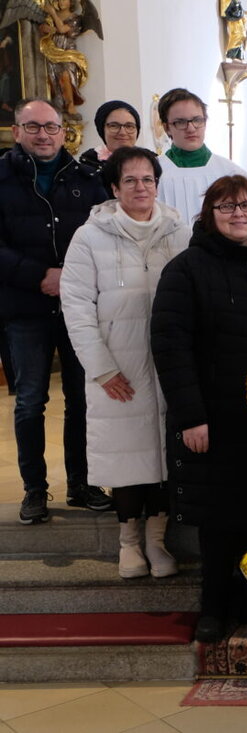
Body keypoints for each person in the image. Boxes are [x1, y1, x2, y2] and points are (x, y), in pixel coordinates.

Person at [151, 175, 247, 642]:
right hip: (216, 416)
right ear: (209, 215)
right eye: (226, 207)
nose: (239, 214)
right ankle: (215, 607)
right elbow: (170, 346)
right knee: (219, 520)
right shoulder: (186, 269)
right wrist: (190, 416)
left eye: (246, 205)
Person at [60, 146, 189, 578]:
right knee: (127, 459)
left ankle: (158, 542)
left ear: (157, 184)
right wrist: (102, 368)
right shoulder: (90, 236)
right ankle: (129, 545)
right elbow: (76, 306)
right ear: (114, 188)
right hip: (119, 368)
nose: (140, 187)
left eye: (147, 179)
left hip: (169, 366)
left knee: (165, 456)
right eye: (129, 180)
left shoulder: (177, 231)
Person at [1, 97, 110, 525]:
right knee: (30, 401)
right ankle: (34, 490)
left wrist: (69, 276)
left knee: (83, 399)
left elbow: (105, 234)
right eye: (33, 127)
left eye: (50, 127)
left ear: (64, 133)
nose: (43, 135)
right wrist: (39, 275)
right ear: (17, 132)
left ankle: (82, 484)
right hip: (23, 307)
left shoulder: (88, 179)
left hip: (79, 306)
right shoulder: (1, 177)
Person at [155, 88, 247, 225]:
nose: (191, 128)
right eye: (180, 122)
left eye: (197, 120)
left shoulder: (231, 172)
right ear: (166, 127)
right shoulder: (153, 173)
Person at [78, 100, 140, 175]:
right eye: (114, 126)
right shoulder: (87, 168)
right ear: (102, 130)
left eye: (129, 126)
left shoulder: (152, 162)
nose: (122, 132)